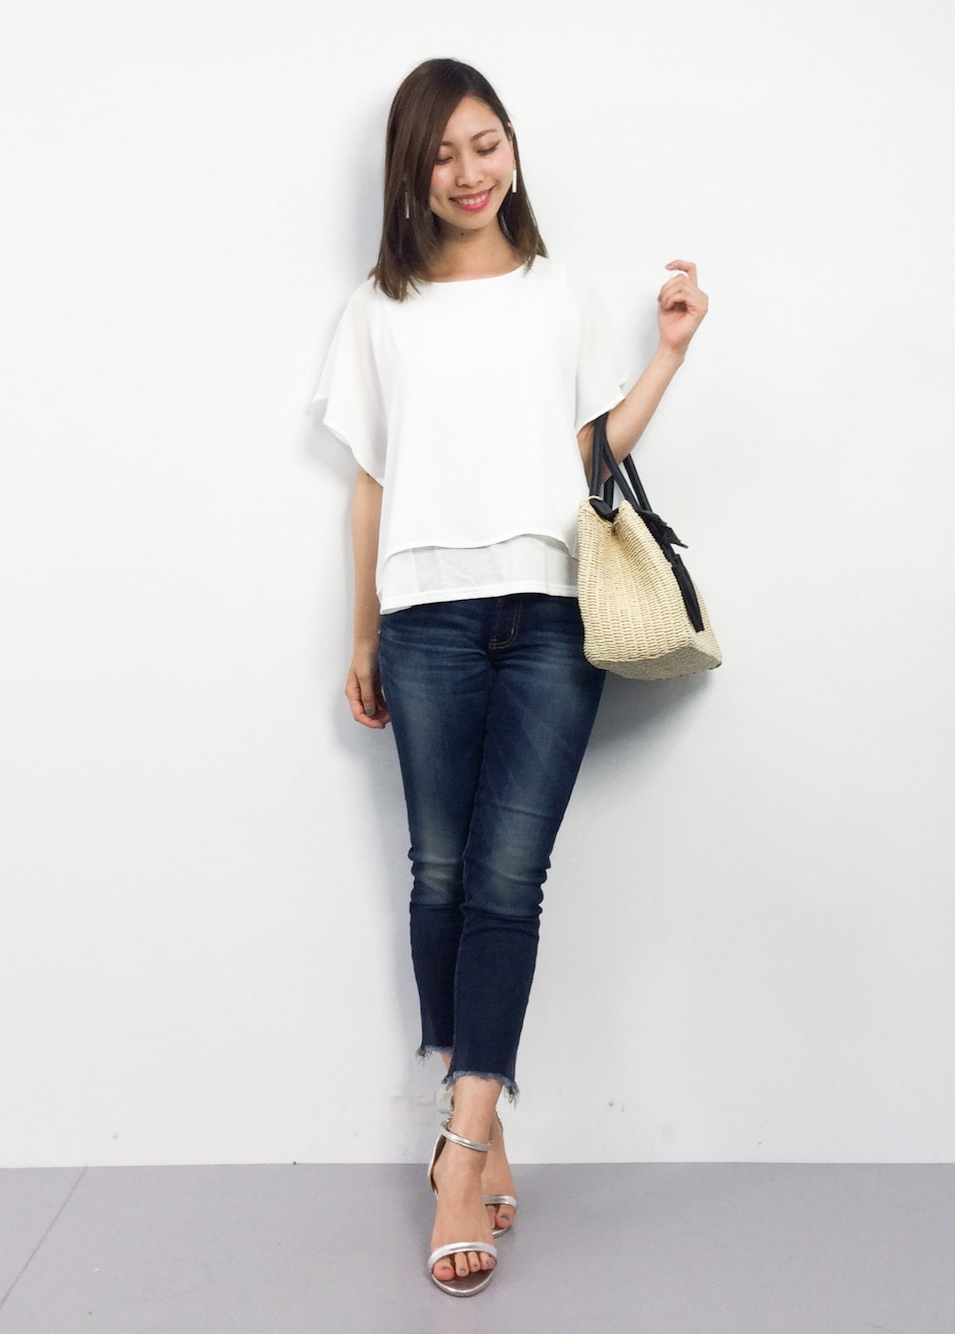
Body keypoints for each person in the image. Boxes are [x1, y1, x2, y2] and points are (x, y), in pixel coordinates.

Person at [312, 57, 708, 1296]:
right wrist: (362, 633)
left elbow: (589, 453)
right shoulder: (378, 308)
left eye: (485, 143)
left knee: (507, 875)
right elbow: (371, 481)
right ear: (410, 173)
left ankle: (460, 1146)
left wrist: (668, 355)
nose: (469, 171)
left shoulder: (556, 292)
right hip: (424, 614)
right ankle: (475, 1123)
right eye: (441, 154)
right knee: (439, 869)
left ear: (512, 148)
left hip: (550, 612)